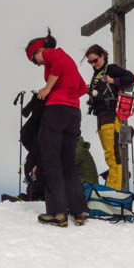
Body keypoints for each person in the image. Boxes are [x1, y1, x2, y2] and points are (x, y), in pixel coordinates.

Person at [25, 29, 89, 227]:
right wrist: (67, 97)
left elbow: (58, 64)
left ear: (38, 50)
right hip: (73, 113)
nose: (37, 63)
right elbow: (83, 88)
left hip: (56, 112)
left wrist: (49, 89)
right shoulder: (68, 60)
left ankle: (57, 212)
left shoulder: (53, 53)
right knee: (68, 162)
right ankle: (79, 210)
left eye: (34, 59)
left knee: (50, 160)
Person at [84, 44, 134, 190]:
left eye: (95, 60)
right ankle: (112, 188)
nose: (93, 64)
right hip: (101, 118)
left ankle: (114, 190)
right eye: (90, 62)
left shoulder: (111, 69)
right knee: (110, 155)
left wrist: (113, 81)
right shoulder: (97, 74)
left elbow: (130, 78)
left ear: (103, 56)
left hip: (110, 117)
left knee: (113, 157)